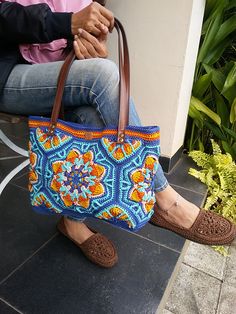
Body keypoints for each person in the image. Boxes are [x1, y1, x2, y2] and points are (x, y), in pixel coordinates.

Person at [0, 0, 235, 268]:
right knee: (104, 74)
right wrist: (66, 23)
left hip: (52, 76)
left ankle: (71, 222)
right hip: (8, 73)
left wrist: (87, 48)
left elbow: (80, 44)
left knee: (91, 115)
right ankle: (163, 197)